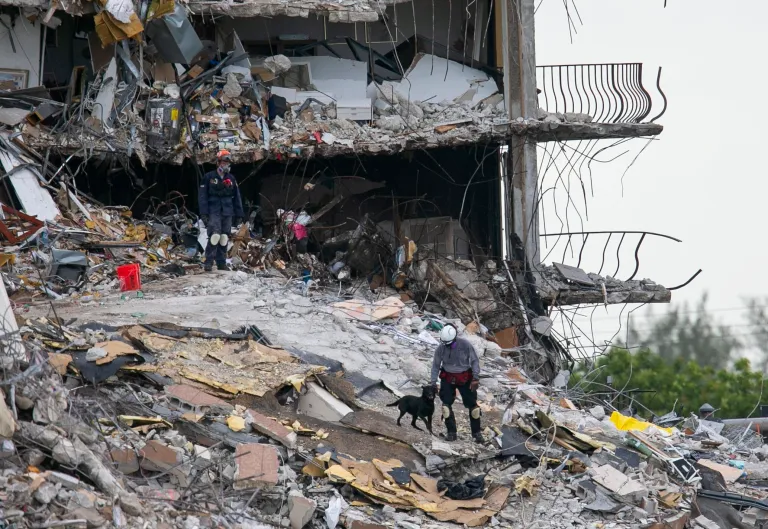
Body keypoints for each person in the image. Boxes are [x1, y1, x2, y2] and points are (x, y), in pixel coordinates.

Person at [430, 324, 483, 443]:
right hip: (448, 377)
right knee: (446, 407)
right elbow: (435, 366)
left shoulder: (465, 345)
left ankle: (477, 433)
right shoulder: (441, 348)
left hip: (465, 377)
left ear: (454, 338)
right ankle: (451, 432)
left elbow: (474, 361)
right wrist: (433, 382)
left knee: (474, 408)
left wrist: (475, 377)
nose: (447, 346)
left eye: (449, 344)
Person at [199, 150, 244, 271]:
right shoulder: (209, 177)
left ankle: (221, 262)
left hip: (227, 211)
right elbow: (202, 197)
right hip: (214, 210)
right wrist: (204, 213)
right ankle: (208, 262)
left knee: (224, 237)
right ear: (218, 162)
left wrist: (239, 213)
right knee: (215, 236)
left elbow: (237, 196)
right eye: (224, 162)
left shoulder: (231, 178)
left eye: (228, 163)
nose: (226, 165)